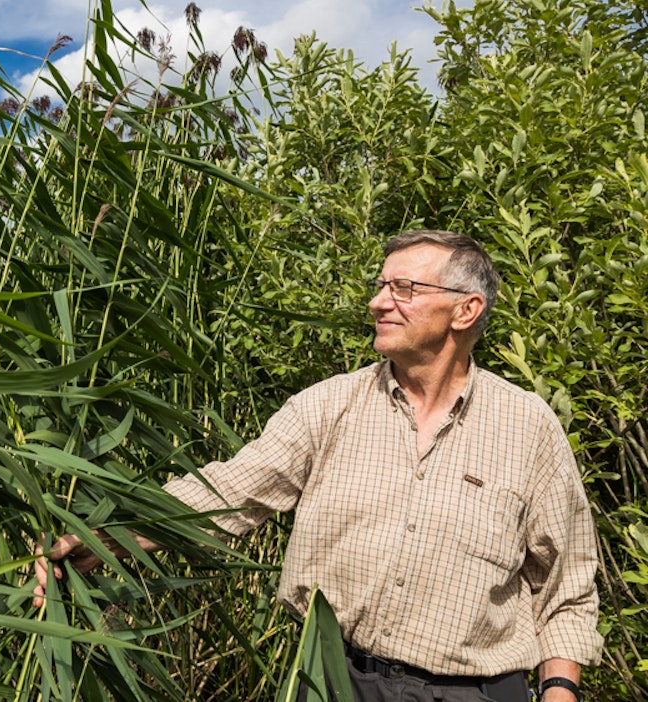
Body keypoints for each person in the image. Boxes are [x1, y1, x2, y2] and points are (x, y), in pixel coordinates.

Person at [32, 230, 602, 702]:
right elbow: (229, 492)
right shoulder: (329, 406)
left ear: (466, 309)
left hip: (475, 691)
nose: (379, 301)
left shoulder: (528, 428)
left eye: (403, 288)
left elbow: (567, 585)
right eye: (381, 286)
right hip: (331, 678)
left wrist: (559, 691)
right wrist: (102, 538)